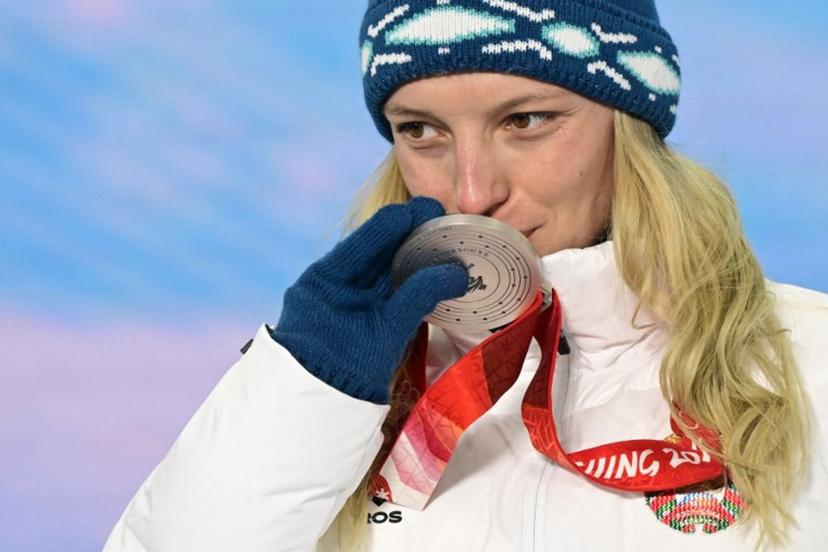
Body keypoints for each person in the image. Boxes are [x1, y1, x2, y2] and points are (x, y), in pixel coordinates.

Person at [102, 1, 828, 550]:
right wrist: (304, 397)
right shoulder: (346, 380)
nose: (474, 191)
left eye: (526, 121)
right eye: (422, 131)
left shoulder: (810, 359)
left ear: (630, 122)